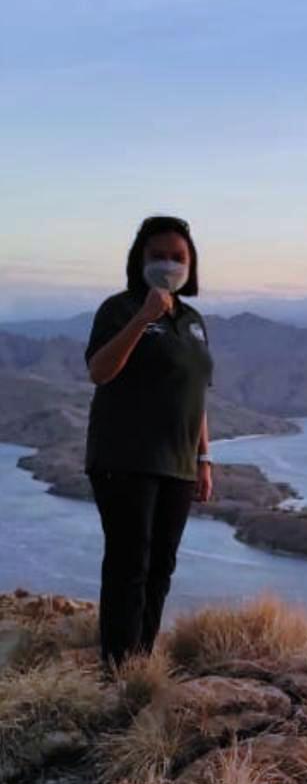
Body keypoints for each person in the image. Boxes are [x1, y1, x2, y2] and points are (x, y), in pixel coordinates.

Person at [84, 215, 214, 669]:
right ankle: (117, 671)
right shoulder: (119, 309)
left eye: (177, 257)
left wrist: (204, 457)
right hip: (124, 459)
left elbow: (196, 393)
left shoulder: (194, 321)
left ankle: (140, 664)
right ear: (139, 260)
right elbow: (100, 371)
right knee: (128, 566)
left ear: (191, 264)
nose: (168, 264)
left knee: (161, 568)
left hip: (177, 464)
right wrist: (142, 319)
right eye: (157, 255)